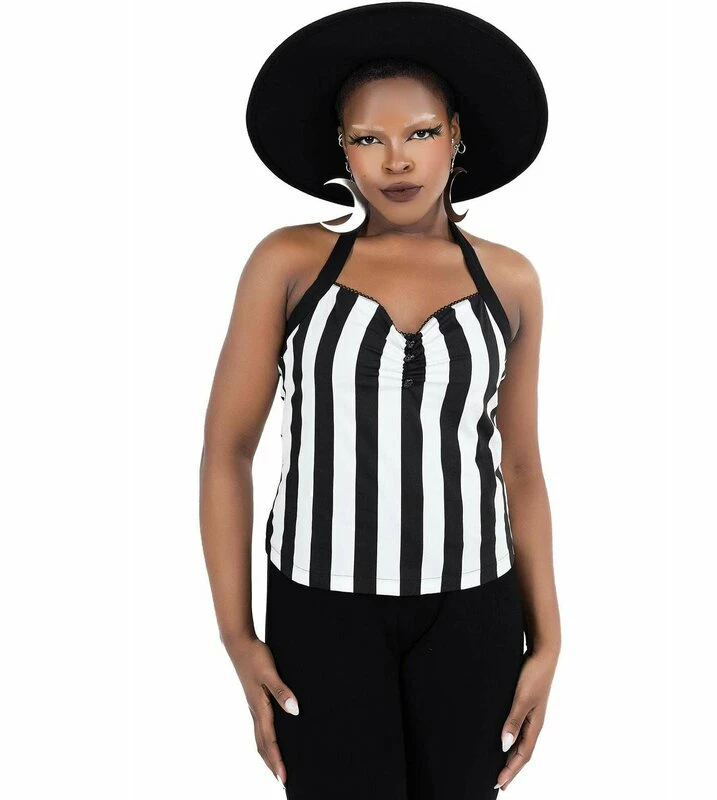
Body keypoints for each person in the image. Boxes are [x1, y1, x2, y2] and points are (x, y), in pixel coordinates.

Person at [199, 4, 561, 798]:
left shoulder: (510, 279)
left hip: (475, 606)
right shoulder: (291, 261)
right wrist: (235, 633)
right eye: (368, 139)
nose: (397, 160)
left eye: (420, 132)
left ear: (456, 136)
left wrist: (549, 641)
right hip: (319, 605)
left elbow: (523, 468)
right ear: (342, 147)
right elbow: (227, 451)